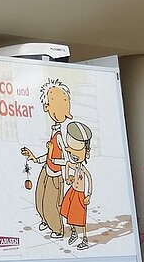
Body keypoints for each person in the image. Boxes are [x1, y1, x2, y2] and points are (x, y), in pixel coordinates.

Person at [21, 79, 71, 238]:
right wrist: (34, 158)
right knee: (39, 199)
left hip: (55, 175)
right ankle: (45, 221)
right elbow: (49, 155)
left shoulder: (61, 136)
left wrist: (51, 156)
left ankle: (57, 229)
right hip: (46, 170)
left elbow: (66, 159)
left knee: (51, 204)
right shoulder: (54, 130)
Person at [59, 121, 93, 249]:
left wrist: (89, 195)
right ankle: (73, 232)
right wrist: (67, 177)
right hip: (72, 191)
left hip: (80, 195)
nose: (73, 155)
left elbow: (89, 179)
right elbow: (68, 165)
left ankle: (84, 238)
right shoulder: (73, 165)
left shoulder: (83, 169)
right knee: (66, 211)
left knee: (80, 217)